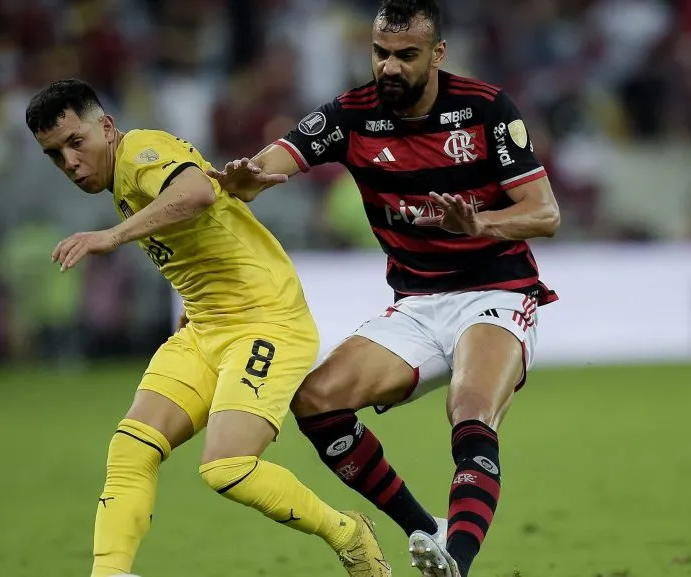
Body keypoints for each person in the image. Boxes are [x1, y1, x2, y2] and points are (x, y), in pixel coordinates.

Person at [208, 1, 561, 576]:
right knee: (316, 400)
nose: (389, 67)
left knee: (469, 409)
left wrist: (478, 223)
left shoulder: (485, 108)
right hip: (417, 305)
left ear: (438, 54)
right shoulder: (351, 115)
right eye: (380, 53)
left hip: (496, 292)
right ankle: (425, 528)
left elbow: (544, 213)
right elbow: (271, 163)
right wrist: (247, 179)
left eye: (406, 55)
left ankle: (458, 562)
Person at [25, 78, 390, 577]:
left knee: (226, 467)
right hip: (205, 327)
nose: (69, 161)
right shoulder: (123, 181)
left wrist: (112, 236)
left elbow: (196, 191)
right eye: (54, 154)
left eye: (76, 142)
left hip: (267, 322)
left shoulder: (140, 151)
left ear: (107, 127)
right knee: (131, 448)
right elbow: (201, 237)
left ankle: (349, 534)